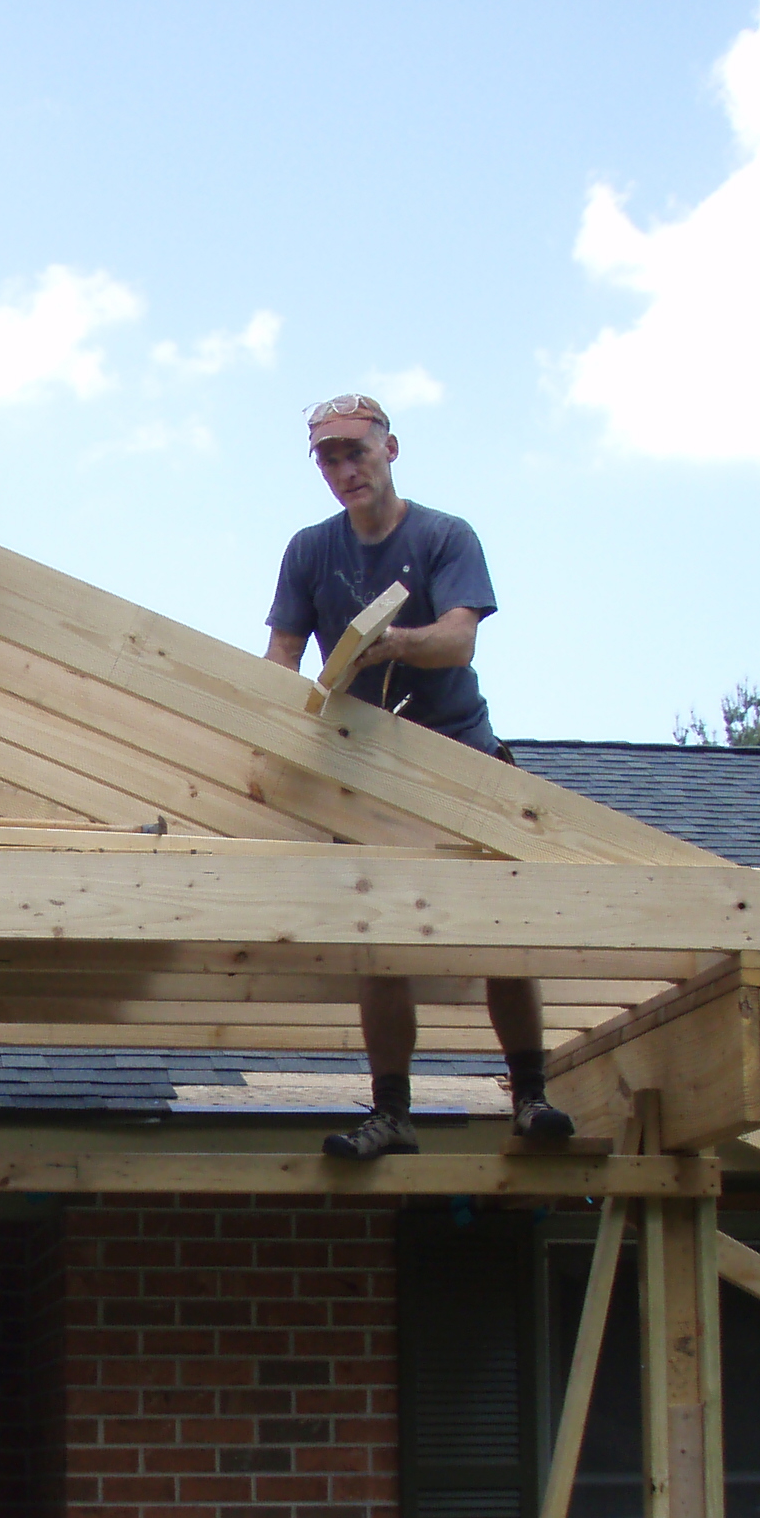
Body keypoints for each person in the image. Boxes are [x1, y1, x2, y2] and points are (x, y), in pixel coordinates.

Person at [264, 393, 573, 1157]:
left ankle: (530, 1098)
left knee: (503, 930)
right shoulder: (310, 550)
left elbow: (459, 641)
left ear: (391, 449)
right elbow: (279, 658)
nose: (344, 470)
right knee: (381, 940)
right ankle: (393, 1113)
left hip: (459, 755)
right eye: (329, 459)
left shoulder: (443, 535)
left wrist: (391, 642)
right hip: (366, 770)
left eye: (356, 453)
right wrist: (278, 712)